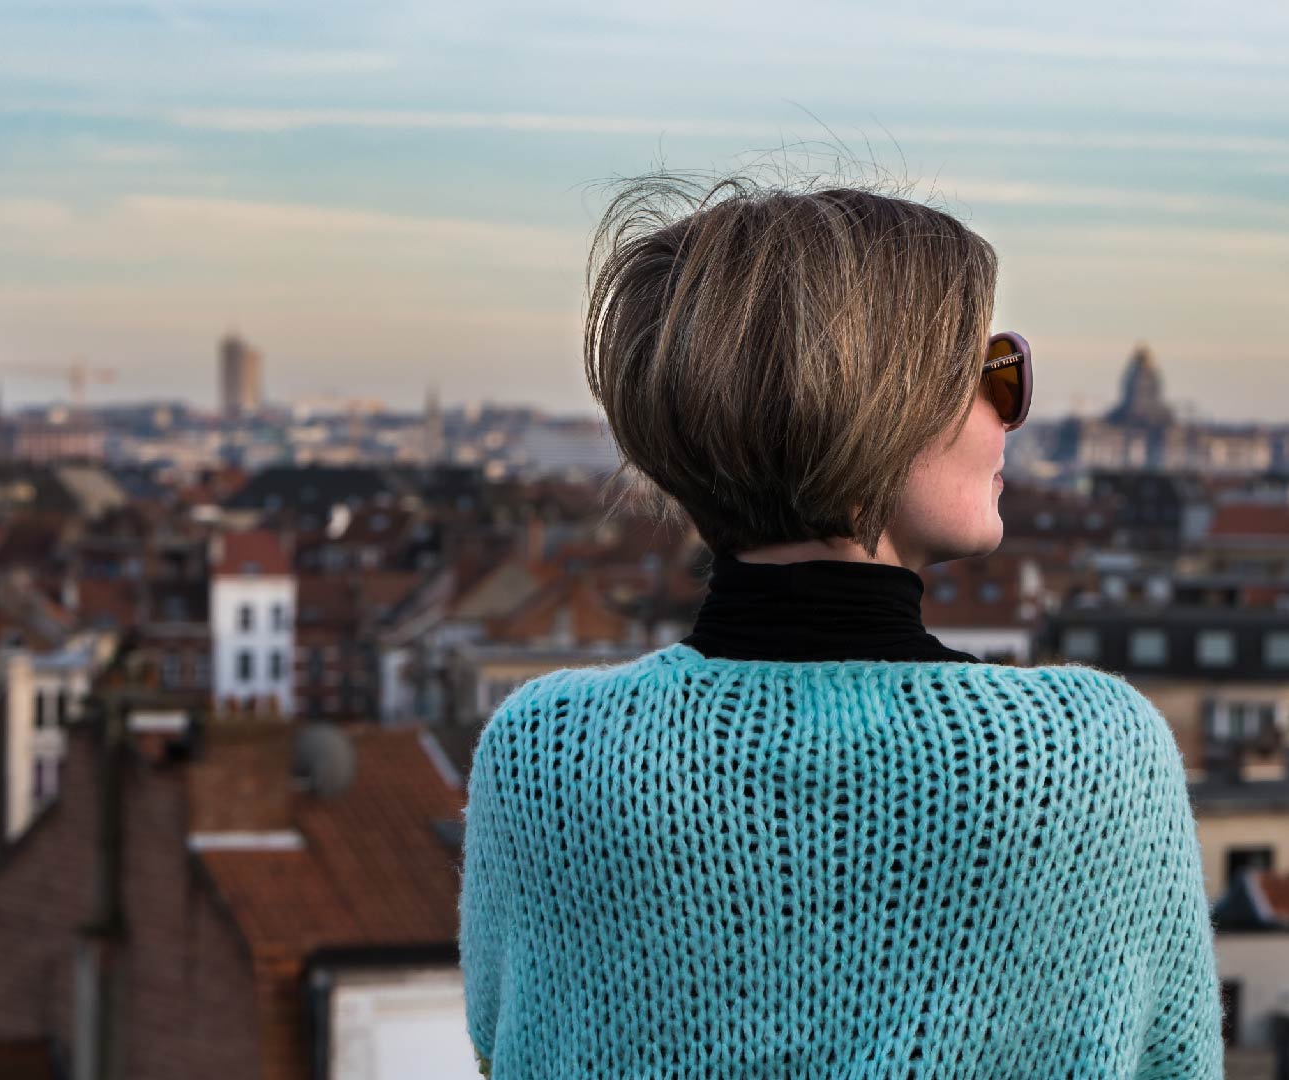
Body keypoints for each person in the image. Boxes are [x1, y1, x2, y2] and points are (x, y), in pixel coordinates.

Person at [458, 173, 1223, 1078]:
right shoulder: (1090, 757)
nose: (1009, 413)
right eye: (989, 372)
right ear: (880, 409)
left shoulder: (546, 759)